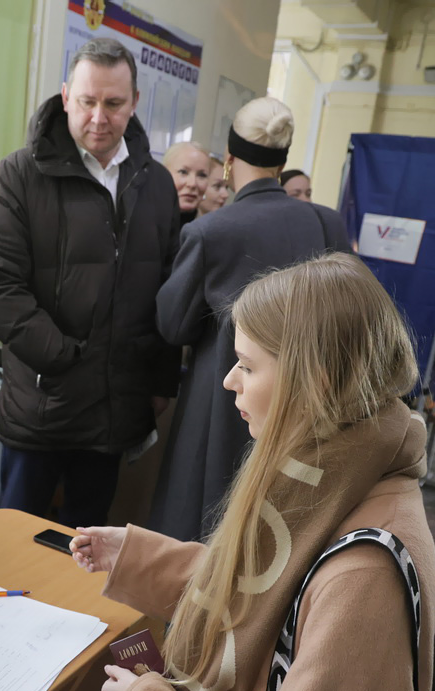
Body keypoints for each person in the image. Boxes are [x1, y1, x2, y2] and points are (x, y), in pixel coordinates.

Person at [13, 254, 435, 691]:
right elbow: (271, 589)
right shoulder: (339, 468)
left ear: (316, 382)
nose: (229, 381)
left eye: (248, 365)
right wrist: (139, 557)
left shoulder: (363, 575)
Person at [0, 37, 180, 528]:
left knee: (87, 558)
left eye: (113, 104)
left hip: (114, 412)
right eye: (87, 102)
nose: (99, 118)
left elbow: (169, 288)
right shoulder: (19, 175)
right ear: (66, 97)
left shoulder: (157, 185)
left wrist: (160, 380)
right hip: (43, 404)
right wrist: (61, 359)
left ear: (135, 103)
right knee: (12, 548)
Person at [149, 96, 350, 542]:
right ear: (282, 162)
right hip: (307, 408)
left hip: (221, 409)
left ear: (230, 158)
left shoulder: (209, 232)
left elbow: (172, 325)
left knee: (203, 534)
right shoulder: (327, 225)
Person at [161, 141, 211, 226]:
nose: (192, 184)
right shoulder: (141, 222)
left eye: (202, 175)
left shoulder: (209, 232)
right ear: (163, 174)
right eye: (183, 172)